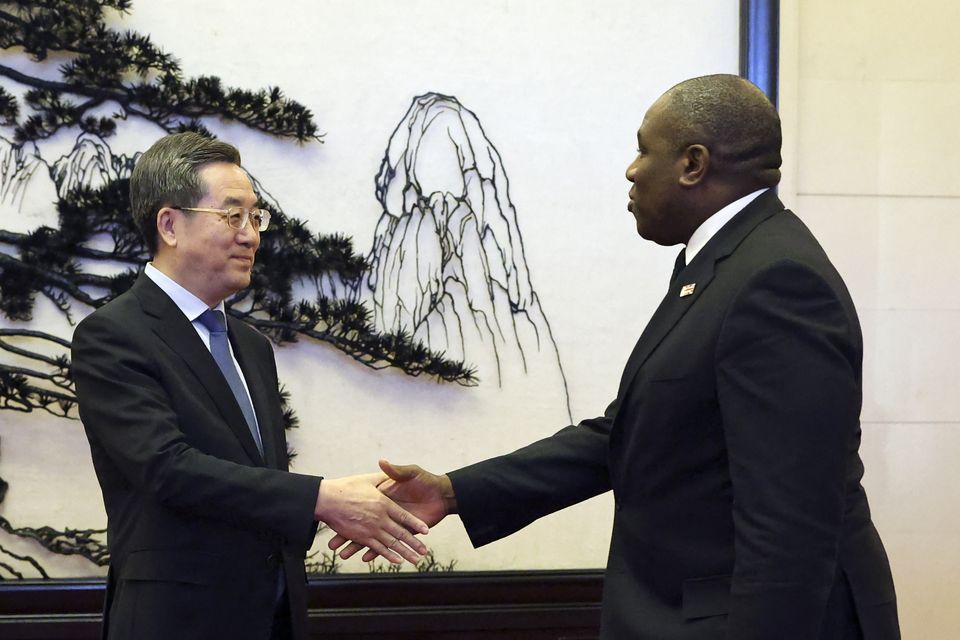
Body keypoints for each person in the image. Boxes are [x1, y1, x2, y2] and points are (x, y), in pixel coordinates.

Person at [330, 75, 900, 639]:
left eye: (643, 150)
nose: (631, 170)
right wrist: (454, 492)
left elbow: (791, 528)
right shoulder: (726, 266)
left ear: (693, 164)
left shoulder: (777, 280)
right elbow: (630, 433)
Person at [71, 132, 428, 640]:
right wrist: (320, 498)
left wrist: (346, 505)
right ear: (170, 224)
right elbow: (167, 469)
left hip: (273, 616)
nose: (251, 236)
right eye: (232, 215)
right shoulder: (112, 335)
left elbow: (255, 484)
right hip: (175, 621)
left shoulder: (252, 346)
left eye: (255, 217)